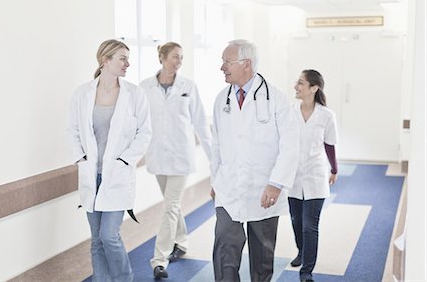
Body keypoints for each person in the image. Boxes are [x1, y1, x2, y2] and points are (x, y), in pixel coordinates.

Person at [210, 39, 300, 282]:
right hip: (228, 189)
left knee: (262, 258)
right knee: (224, 252)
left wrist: (277, 183)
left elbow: (290, 146)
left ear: (246, 64)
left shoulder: (277, 99)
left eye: (227, 62)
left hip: (264, 189)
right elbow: (216, 144)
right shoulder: (222, 100)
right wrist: (215, 179)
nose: (222, 67)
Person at [66, 39, 151, 282]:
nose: (128, 63)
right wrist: (81, 159)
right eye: (122, 58)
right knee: (96, 239)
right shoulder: (82, 93)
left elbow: (145, 133)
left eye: (127, 58)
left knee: (109, 236)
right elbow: (71, 130)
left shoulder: (134, 94)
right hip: (92, 174)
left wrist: (125, 161)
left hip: (117, 174)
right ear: (105, 60)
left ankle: (124, 279)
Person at [139, 42, 212, 280]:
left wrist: (214, 160)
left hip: (181, 156)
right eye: (174, 57)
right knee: (174, 204)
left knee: (169, 207)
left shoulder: (188, 86)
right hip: (158, 156)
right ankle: (181, 241)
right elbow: (138, 122)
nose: (178, 61)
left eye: (181, 57)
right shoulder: (145, 87)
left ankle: (159, 260)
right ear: (161, 57)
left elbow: (201, 122)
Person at [288, 69, 338, 282]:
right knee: (296, 220)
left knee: (310, 224)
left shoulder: (327, 115)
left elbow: (330, 145)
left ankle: (306, 271)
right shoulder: (289, 111)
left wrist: (334, 169)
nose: (295, 86)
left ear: (314, 88)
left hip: (316, 175)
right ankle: (301, 250)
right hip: (293, 175)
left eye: (300, 83)